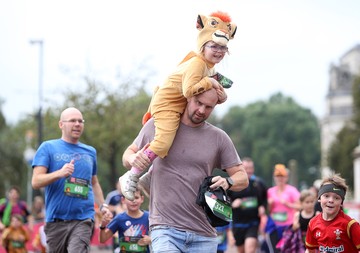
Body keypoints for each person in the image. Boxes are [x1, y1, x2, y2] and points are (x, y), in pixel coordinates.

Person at [119, 10, 236, 200]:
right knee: (163, 142)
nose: (218, 51)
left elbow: (214, 89)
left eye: (223, 48)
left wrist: (221, 94)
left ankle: (149, 177)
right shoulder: (198, 64)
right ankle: (131, 175)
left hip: (179, 104)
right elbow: (189, 91)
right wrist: (212, 83)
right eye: (214, 46)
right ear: (203, 46)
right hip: (168, 104)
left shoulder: (208, 66)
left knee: (182, 137)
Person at [122, 87, 249, 253]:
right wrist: (133, 159)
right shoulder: (159, 126)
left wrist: (228, 181)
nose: (202, 110)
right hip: (165, 228)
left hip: (204, 233)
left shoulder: (219, 138)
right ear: (188, 97)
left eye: (208, 107)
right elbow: (128, 154)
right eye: (198, 103)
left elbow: (242, 178)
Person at [31, 107, 113, 252]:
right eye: (73, 121)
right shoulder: (48, 147)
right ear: (61, 124)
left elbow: (94, 182)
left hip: (83, 218)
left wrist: (103, 206)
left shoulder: (90, 152)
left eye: (80, 121)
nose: (77, 124)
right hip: (56, 221)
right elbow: (36, 181)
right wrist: (59, 173)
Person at [305, 174, 360, 253]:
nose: (331, 200)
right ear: (319, 198)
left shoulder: (350, 224)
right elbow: (310, 250)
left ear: (341, 203)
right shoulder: (313, 223)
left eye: (336, 198)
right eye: (326, 196)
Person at [228, 157, 267, 253]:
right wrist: (232, 204)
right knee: (241, 251)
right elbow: (225, 202)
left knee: (250, 250)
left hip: (253, 223)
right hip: (238, 224)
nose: (249, 171)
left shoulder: (258, 183)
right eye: (246, 168)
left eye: (251, 168)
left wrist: (262, 207)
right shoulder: (233, 183)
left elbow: (264, 198)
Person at [266, 164, 300, 251]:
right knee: (275, 250)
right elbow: (268, 211)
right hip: (274, 226)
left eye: (282, 176)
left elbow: (300, 206)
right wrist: (269, 204)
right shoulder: (270, 191)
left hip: (288, 226)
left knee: (288, 250)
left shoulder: (292, 190)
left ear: (286, 178)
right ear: (274, 178)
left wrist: (288, 204)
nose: (280, 178)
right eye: (277, 176)